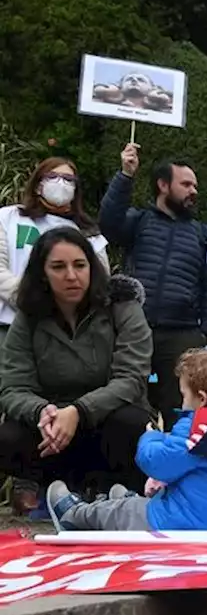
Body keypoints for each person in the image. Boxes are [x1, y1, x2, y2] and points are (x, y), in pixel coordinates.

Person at [46, 347, 207, 532]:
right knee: (151, 500)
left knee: (118, 511)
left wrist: (151, 437)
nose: (182, 402)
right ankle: (135, 502)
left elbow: (157, 463)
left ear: (201, 398)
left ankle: (73, 515)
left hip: (176, 524)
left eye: (184, 395)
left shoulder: (199, 429)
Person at [0, 228, 154, 500]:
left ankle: (114, 491)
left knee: (133, 425)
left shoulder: (123, 307)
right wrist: (42, 412)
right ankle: (55, 488)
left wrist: (79, 411)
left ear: (92, 267)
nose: (71, 276)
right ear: (42, 274)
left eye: (80, 265)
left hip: (109, 418)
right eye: (58, 267)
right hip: (53, 424)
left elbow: (131, 379)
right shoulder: (28, 317)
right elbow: (13, 387)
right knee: (9, 437)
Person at [0, 156, 110, 516]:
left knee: (76, 406)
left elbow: (101, 279)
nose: (61, 183)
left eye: (69, 179)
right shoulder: (9, 217)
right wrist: (39, 297)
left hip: (71, 328)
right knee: (18, 407)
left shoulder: (90, 232)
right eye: (53, 177)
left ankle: (76, 482)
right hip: (14, 322)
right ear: (37, 180)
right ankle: (25, 479)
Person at [99, 144, 207, 426]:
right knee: (123, 404)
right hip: (134, 328)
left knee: (182, 415)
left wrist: (205, 332)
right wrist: (125, 176)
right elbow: (109, 223)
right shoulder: (140, 221)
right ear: (163, 185)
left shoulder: (203, 234)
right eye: (186, 184)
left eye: (195, 185)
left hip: (183, 335)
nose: (194, 191)